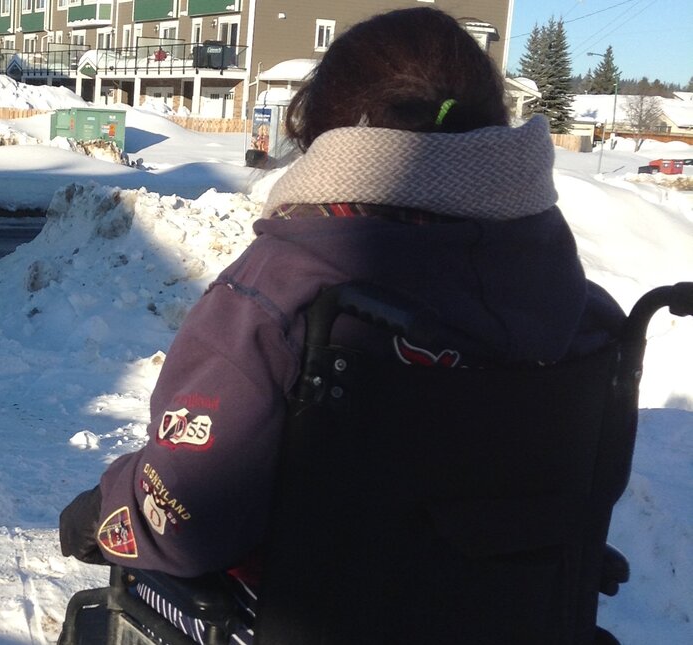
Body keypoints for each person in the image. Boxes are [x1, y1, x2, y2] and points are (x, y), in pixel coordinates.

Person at [59, 4, 624, 636]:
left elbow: (188, 517)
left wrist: (106, 506)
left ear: (328, 133)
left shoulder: (288, 295)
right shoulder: (587, 315)